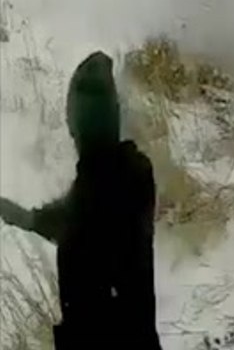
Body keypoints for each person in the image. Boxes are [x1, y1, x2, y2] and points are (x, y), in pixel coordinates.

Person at [0, 51, 161, 349]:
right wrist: (26, 218)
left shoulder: (100, 188)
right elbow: (79, 222)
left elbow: (80, 224)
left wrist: (30, 219)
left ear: (76, 124)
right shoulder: (129, 174)